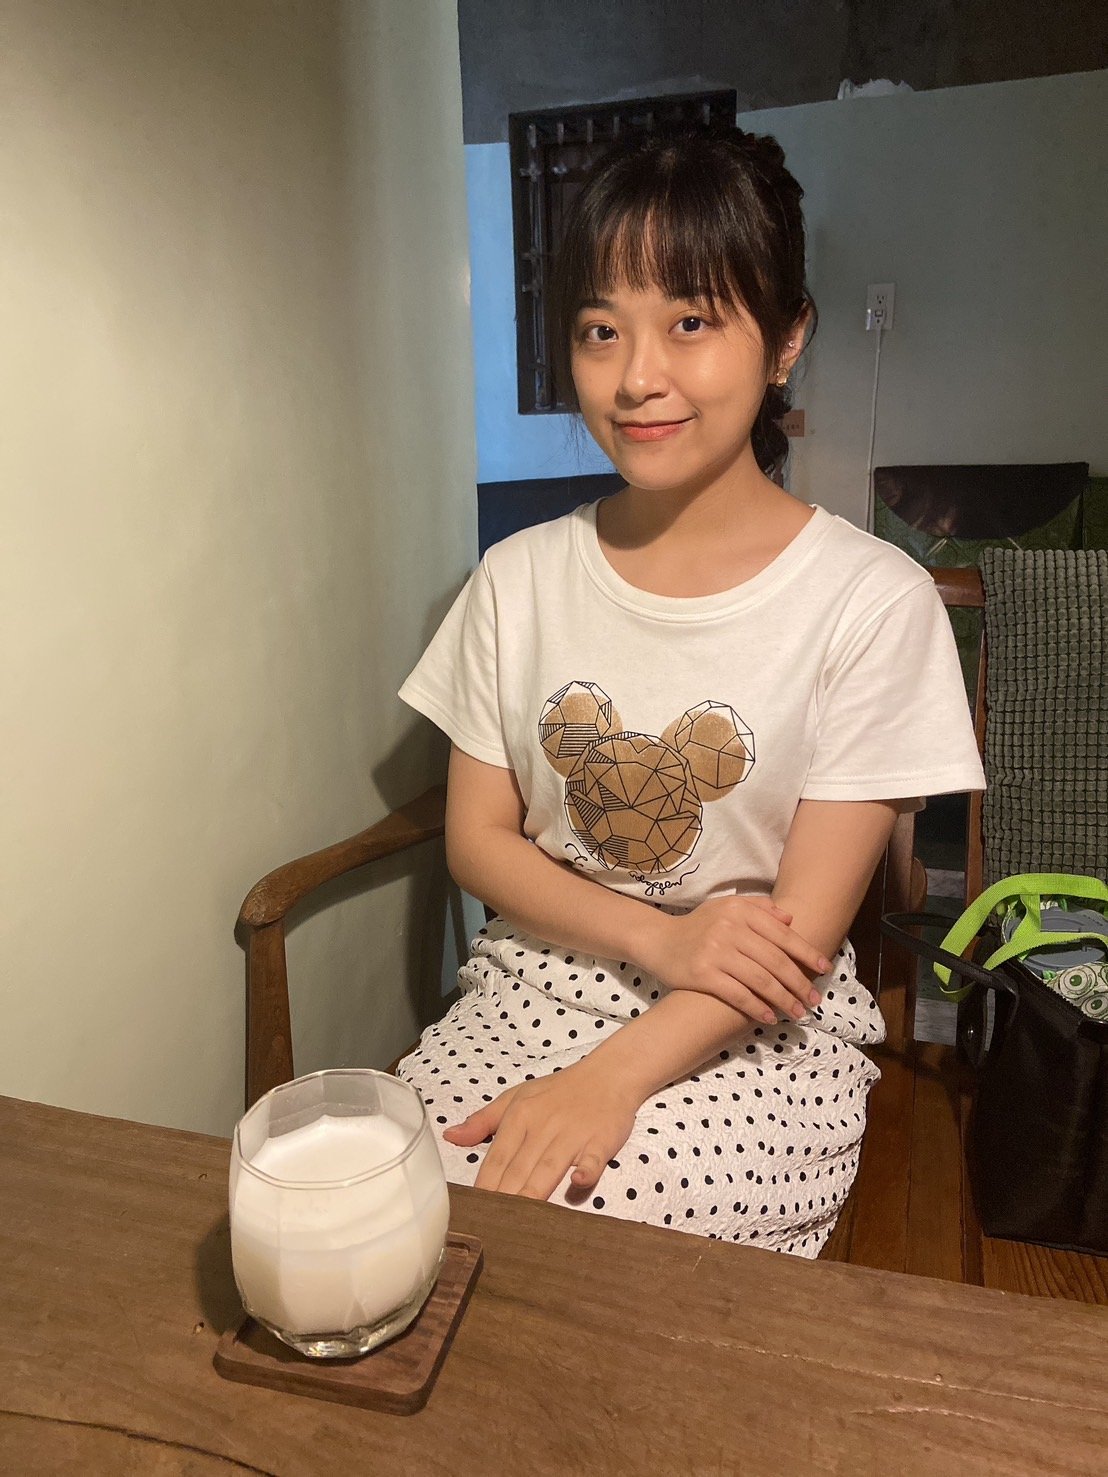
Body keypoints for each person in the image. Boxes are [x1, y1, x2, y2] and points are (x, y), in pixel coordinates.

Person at [396, 126, 984, 1256]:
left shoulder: (872, 601)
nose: (636, 378)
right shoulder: (517, 578)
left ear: (787, 338)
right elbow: (477, 840)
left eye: (692, 322)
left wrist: (610, 1076)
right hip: (531, 981)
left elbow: (800, 934)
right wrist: (652, 940)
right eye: (600, 330)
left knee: (576, 1235)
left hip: (756, 1018)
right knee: (394, 1199)